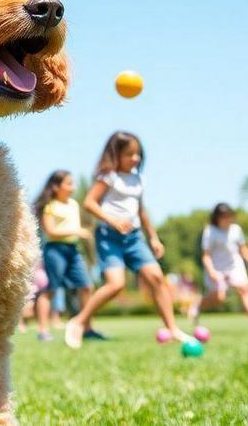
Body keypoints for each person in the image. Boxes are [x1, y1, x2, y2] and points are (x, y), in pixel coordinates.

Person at [64, 131, 188, 348]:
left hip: (134, 238)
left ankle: (172, 328)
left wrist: (154, 238)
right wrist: (113, 220)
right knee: (116, 285)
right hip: (109, 237)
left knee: (156, 278)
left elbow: (142, 212)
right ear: (116, 154)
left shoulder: (138, 179)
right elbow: (90, 203)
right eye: (129, 154)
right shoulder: (108, 177)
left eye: (138, 154)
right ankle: (78, 322)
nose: (135, 159)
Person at [188, 203, 248, 331]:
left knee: (244, 290)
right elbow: (205, 256)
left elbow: (243, 250)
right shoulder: (210, 231)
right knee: (219, 298)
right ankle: (198, 304)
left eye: (230, 216)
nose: (228, 220)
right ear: (217, 218)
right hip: (216, 267)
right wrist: (211, 271)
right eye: (224, 217)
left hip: (234, 266)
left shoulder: (236, 230)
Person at [33, 170, 92, 341]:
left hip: (73, 250)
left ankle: (87, 328)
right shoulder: (49, 205)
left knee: (86, 286)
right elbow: (50, 230)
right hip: (55, 250)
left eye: (73, 183)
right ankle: (43, 331)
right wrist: (76, 231)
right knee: (51, 290)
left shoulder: (73, 204)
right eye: (68, 183)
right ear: (56, 186)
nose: (72, 187)